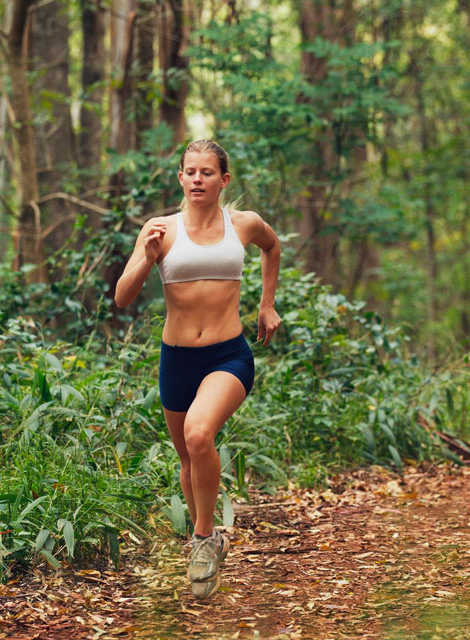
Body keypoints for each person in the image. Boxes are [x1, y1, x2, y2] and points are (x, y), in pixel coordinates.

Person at [114, 140, 282, 599]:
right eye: (190, 172)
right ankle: (205, 542)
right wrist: (147, 260)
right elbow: (122, 297)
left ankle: (205, 539)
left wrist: (266, 305)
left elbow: (273, 247)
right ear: (180, 178)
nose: (197, 180)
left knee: (198, 434)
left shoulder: (242, 225)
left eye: (207, 172)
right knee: (188, 459)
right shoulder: (159, 231)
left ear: (223, 180)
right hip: (177, 360)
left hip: (228, 355)